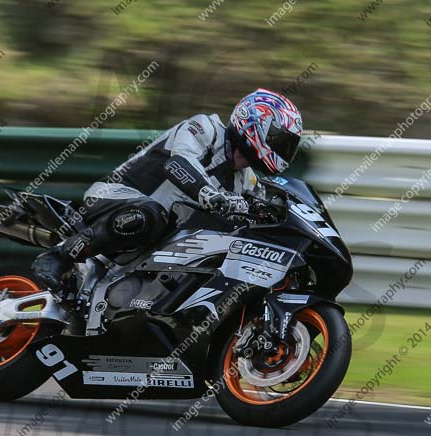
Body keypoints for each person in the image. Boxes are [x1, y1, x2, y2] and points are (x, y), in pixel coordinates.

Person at [33, 88, 303, 288]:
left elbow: (262, 209)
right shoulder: (205, 128)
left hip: (162, 239)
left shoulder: (245, 180)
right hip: (117, 196)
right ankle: (58, 257)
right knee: (150, 214)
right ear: (256, 122)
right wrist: (210, 194)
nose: (283, 149)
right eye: (281, 140)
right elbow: (178, 163)